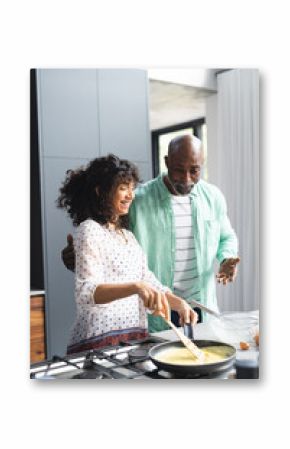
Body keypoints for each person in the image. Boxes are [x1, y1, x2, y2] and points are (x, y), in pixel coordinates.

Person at [62, 135, 240, 333]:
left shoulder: (213, 198)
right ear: (166, 162)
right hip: (150, 313)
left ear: (202, 164)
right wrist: (79, 255)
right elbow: (104, 243)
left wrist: (227, 258)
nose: (187, 178)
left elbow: (227, 237)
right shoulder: (139, 199)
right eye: (179, 170)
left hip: (195, 304)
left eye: (194, 170)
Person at [57, 154, 197, 354]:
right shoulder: (89, 230)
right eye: (123, 188)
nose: (131, 195)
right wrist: (135, 287)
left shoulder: (128, 236)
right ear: (101, 191)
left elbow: (148, 281)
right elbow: (86, 292)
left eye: (132, 188)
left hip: (132, 341)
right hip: (98, 344)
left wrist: (179, 303)